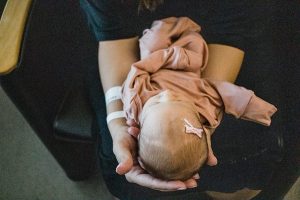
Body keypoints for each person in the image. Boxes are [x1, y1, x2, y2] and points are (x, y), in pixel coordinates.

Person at [80, 0, 278, 199]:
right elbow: (115, 36)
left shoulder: (136, 100)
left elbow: (230, 31)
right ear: (135, 126)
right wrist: (117, 125)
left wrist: (206, 112)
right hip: (130, 38)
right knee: (115, 160)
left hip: (222, 36)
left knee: (253, 152)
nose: (167, 95)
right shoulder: (135, 109)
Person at [120, 17, 277, 182]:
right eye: (178, 101)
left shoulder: (135, 105)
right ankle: (184, 26)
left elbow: (137, 71)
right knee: (194, 41)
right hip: (189, 61)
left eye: (157, 103)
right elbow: (225, 92)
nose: (168, 94)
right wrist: (255, 108)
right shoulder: (202, 104)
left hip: (155, 60)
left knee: (154, 38)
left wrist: (162, 57)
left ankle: (172, 24)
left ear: (138, 130)